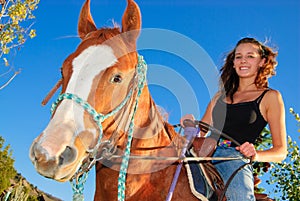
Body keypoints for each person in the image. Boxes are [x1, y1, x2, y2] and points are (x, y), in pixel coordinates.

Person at [181, 37, 287, 200]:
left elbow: (280, 152)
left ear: (262, 61)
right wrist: (190, 125)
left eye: (250, 56)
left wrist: (255, 154)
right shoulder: (219, 97)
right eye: (238, 56)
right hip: (203, 154)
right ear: (233, 62)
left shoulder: (270, 97)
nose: (243, 61)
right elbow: (201, 132)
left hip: (233, 158)